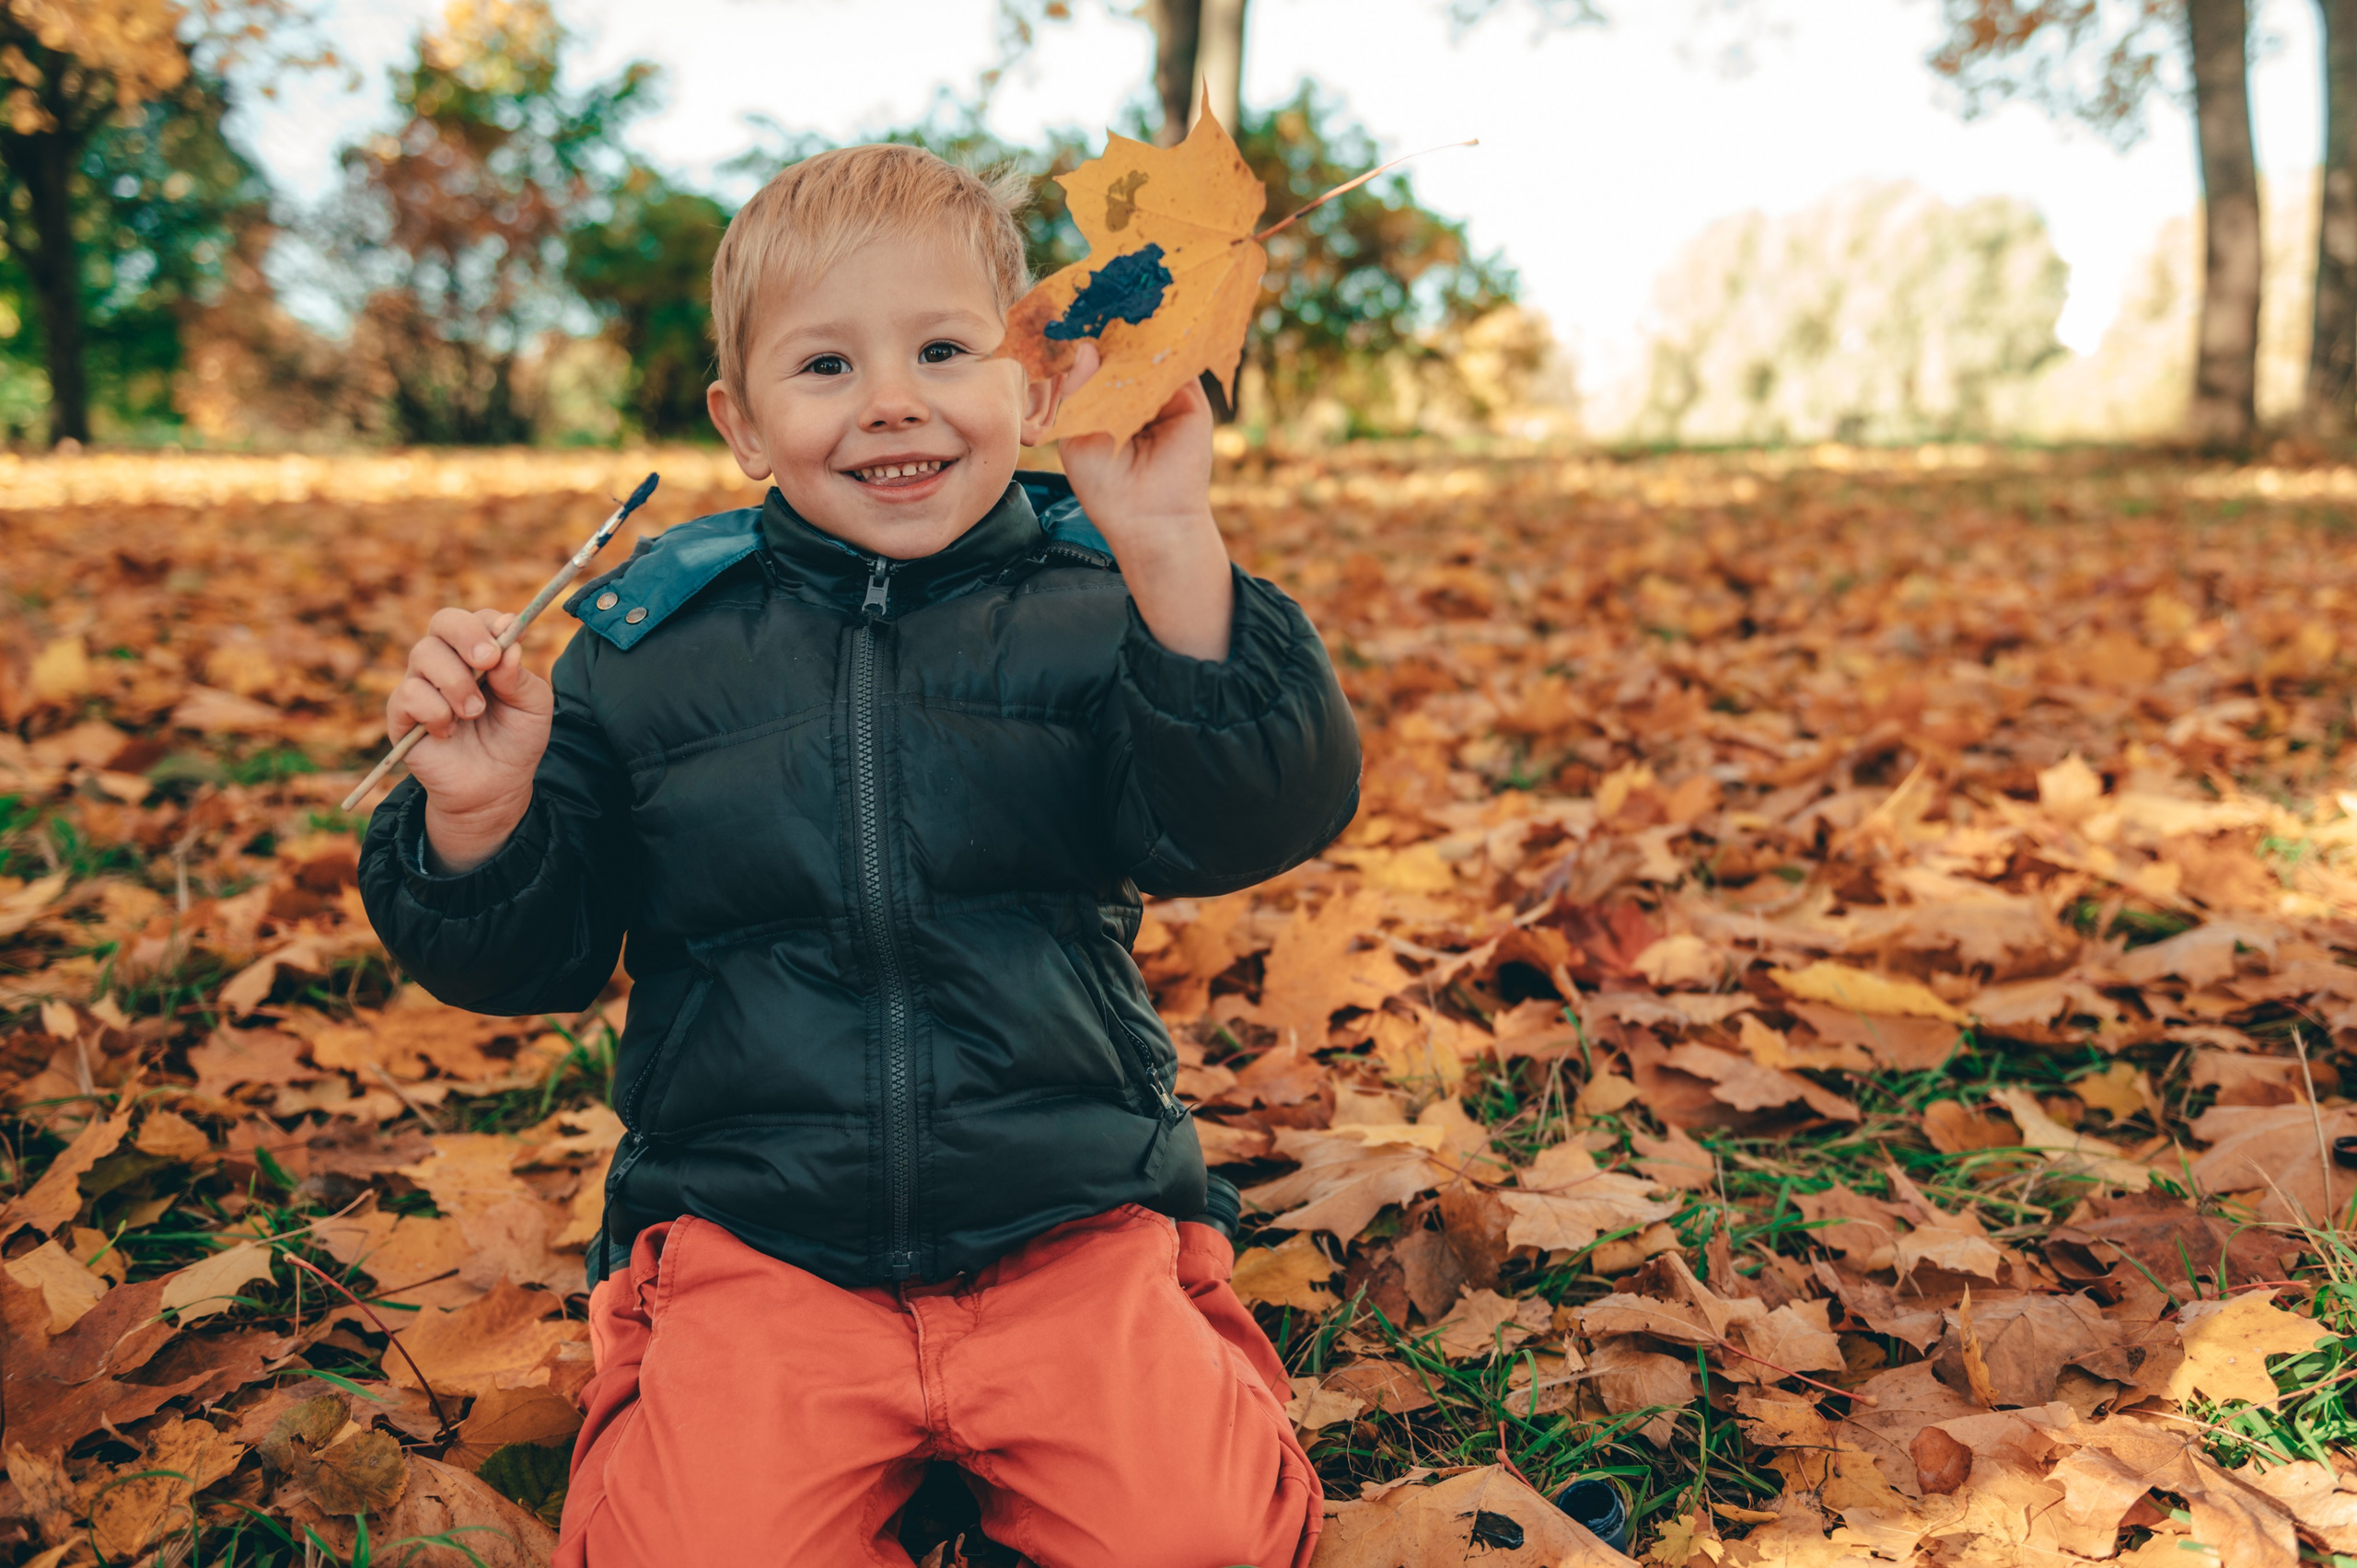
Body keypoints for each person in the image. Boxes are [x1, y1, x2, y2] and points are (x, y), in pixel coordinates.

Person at [355, 143, 1361, 1567]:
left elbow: (1253, 818)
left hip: (1065, 1219)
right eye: (824, 366)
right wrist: (476, 813)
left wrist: (1172, 541)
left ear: (1033, 377)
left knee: (1194, 1540)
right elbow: (530, 957)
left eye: (944, 348)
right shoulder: (643, 656)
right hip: (761, 1240)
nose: (893, 398)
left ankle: (1115, 1413)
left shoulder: (1103, 601)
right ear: (742, 420)